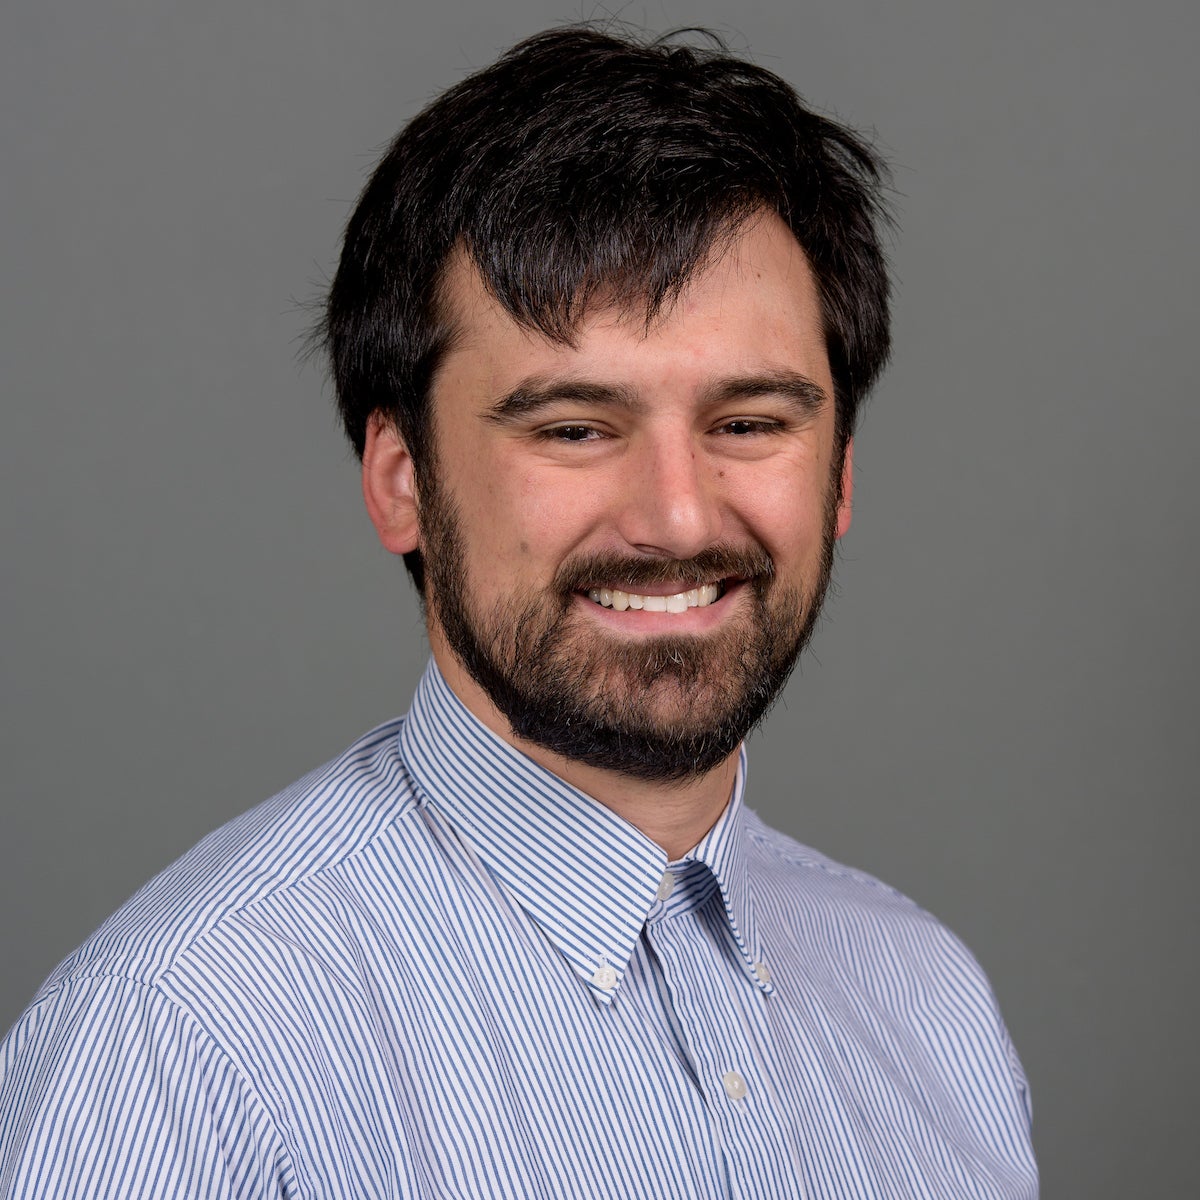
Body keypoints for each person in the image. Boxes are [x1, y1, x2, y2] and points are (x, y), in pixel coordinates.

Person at [0, 26, 1037, 1198]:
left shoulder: (928, 1000)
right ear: (402, 481)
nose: (678, 518)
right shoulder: (188, 1046)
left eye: (749, 422)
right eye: (575, 429)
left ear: (840, 473)